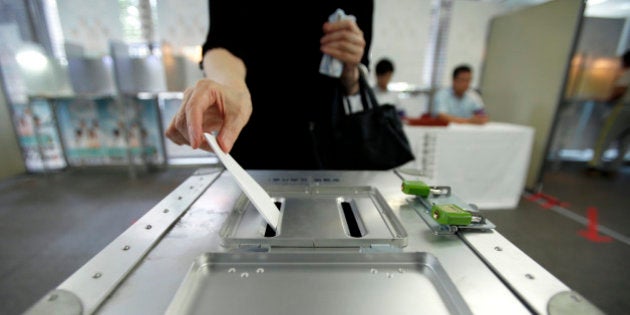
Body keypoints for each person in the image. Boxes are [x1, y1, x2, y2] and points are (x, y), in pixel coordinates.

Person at [165, 1, 374, 169]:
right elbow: (222, 43)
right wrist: (231, 89)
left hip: (332, 141)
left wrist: (350, 69)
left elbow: (357, 76)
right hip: (255, 136)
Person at [586, 50, 630, 178]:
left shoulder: (628, 73)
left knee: (606, 136)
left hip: (624, 108)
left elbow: (619, 91)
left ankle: (595, 165)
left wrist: (604, 98)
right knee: (625, 141)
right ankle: (613, 168)